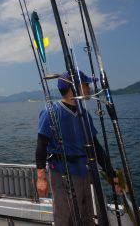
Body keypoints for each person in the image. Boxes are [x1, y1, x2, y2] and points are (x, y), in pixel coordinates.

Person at [35, 70, 120, 225]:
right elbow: (41, 146)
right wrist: (41, 178)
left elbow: (96, 147)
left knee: (87, 214)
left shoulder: (84, 114)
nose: (89, 88)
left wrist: (112, 175)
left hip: (85, 171)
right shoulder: (51, 112)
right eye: (86, 84)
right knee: (64, 217)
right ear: (72, 87)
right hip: (61, 173)